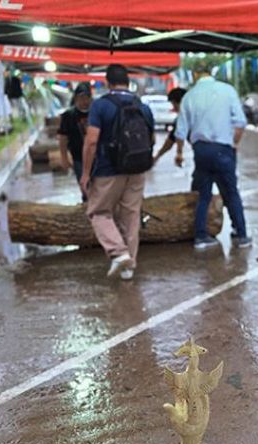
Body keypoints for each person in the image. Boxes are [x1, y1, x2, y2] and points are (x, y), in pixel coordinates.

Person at [80, 64, 155, 281]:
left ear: (107, 82)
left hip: (107, 170)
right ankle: (129, 267)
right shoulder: (143, 106)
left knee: (99, 212)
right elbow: (150, 140)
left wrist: (86, 174)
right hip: (137, 169)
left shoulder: (101, 106)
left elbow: (92, 141)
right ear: (128, 82)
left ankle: (119, 253)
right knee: (130, 216)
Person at [174, 61, 251, 249]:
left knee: (203, 195)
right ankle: (241, 235)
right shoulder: (227, 90)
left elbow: (180, 131)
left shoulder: (189, 96)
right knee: (231, 192)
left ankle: (201, 236)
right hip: (223, 149)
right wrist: (234, 144)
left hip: (200, 150)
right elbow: (240, 122)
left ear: (194, 75)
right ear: (210, 72)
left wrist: (179, 153)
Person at [57, 82, 92, 201]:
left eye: (87, 97)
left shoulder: (96, 113)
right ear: (76, 98)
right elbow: (63, 138)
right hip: (78, 156)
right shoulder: (68, 116)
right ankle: (87, 203)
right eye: (81, 97)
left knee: (99, 185)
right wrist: (64, 158)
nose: (84, 101)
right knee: (84, 184)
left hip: (97, 156)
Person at [152, 88, 187, 165]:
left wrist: (179, 153)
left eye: (173, 104)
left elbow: (174, 138)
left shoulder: (184, 117)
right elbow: (171, 139)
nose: (173, 108)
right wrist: (157, 156)